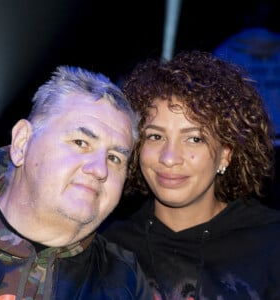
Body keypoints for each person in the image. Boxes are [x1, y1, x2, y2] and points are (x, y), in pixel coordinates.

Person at [100, 50, 280, 299]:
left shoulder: (271, 242)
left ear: (225, 154)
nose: (169, 157)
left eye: (194, 139)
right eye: (155, 136)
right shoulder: (109, 251)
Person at [0, 65, 153, 299]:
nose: (100, 169)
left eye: (114, 158)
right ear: (22, 143)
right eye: (81, 142)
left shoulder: (126, 283)